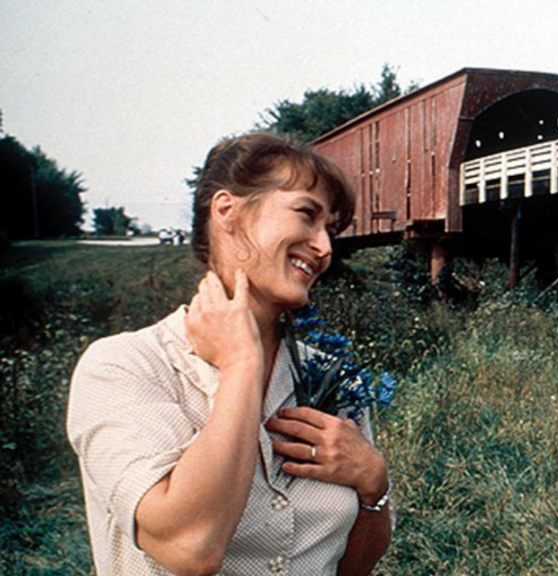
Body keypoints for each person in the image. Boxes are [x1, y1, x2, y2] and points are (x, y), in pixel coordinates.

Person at [67, 132, 392, 576]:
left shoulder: (331, 377)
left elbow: (353, 570)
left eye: (331, 230)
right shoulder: (123, 367)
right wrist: (242, 364)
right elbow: (191, 547)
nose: (325, 248)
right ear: (227, 211)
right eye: (306, 215)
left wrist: (375, 484)